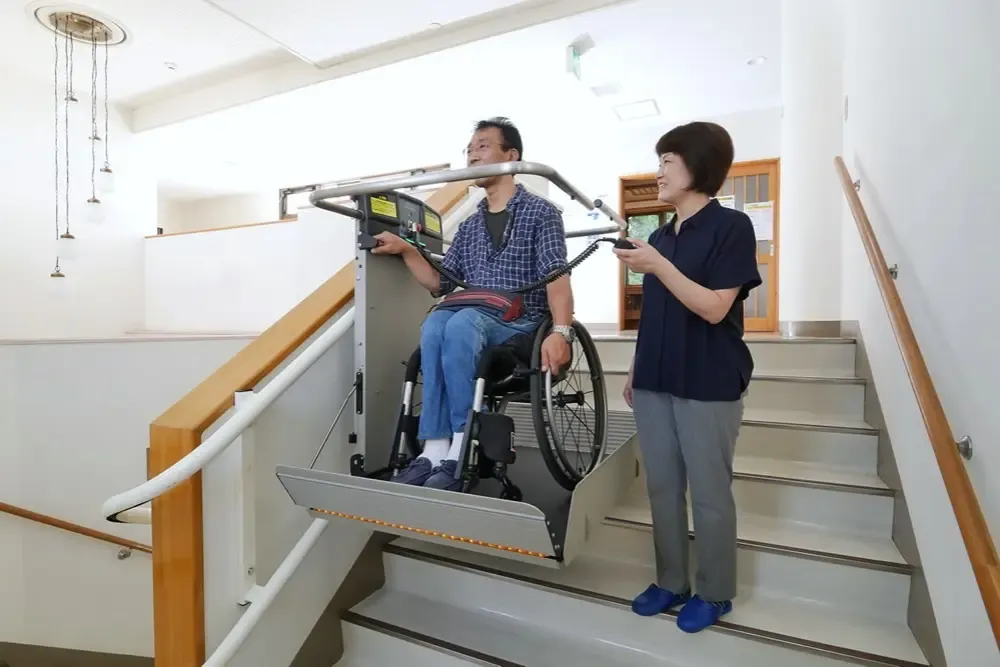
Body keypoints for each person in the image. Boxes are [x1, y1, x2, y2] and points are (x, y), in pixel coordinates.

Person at [370, 116, 574, 491]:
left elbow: (557, 274)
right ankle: (434, 449)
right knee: (436, 323)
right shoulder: (469, 226)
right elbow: (440, 282)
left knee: (461, 322)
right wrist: (407, 249)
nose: (473, 156)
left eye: (482, 146)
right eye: (469, 150)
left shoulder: (541, 213)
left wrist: (561, 331)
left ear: (511, 156)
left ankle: (463, 446)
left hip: (521, 320)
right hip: (472, 316)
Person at [613, 121, 761, 634]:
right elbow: (654, 313)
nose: (658, 172)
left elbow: (715, 308)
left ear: (697, 166)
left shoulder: (731, 227)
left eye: (667, 161)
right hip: (655, 377)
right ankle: (671, 580)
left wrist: (658, 266)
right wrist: (636, 367)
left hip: (709, 379)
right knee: (661, 486)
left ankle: (715, 591)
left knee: (709, 492)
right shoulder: (659, 236)